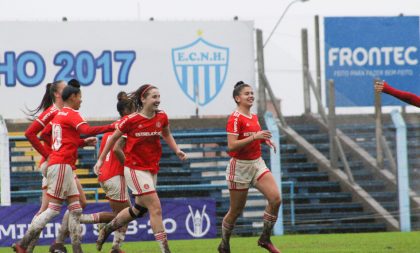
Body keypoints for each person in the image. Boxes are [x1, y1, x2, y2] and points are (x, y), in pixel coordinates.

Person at [13, 80, 115, 253]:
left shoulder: (59, 115)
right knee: (51, 209)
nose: (81, 100)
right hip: (59, 164)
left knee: (76, 208)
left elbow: (52, 135)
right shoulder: (64, 113)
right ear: (67, 95)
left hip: (62, 164)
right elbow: (86, 130)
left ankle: (76, 248)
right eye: (79, 96)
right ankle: (24, 244)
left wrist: (75, 145)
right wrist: (114, 125)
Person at [94, 84, 187, 253]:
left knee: (138, 210)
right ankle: (166, 250)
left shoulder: (162, 117)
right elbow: (113, 140)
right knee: (155, 207)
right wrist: (100, 160)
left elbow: (166, 133)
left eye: (159, 97)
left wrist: (177, 150)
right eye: (154, 97)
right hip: (134, 169)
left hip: (151, 169)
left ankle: (107, 229)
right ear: (143, 99)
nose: (158, 100)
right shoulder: (131, 120)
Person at [218, 81, 281, 253]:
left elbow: (256, 136)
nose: (251, 96)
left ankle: (265, 239)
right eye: (247, 94)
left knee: (276, 199)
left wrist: (265, 140)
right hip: (239, 167)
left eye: (252, 93)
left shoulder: (253, 117)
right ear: (237, 98)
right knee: (236, 211)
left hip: (257, 163)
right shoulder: (235, 118)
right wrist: (255, 137)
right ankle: (224, 244)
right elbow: (231, 146)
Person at [93, 91, 135, 253]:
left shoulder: (111, 130)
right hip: (116, 176)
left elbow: (103, 153)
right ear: (126, 111)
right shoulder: (126, 126)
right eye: (134, 108)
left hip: (105, 175)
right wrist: (130, 167)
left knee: (121, 214)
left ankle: (116, 248)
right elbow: (118, 150)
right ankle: (82, 219)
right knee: (128, 213)